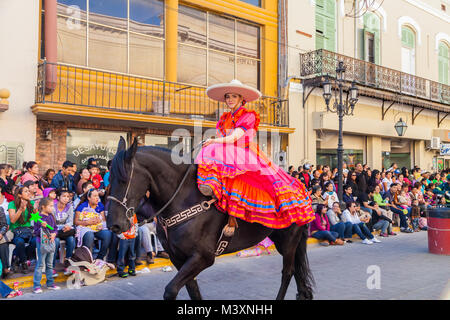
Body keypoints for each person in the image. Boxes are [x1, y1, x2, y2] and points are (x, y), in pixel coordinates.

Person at [195, 79, 315, 235]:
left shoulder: (248, 116)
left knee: (241, 180)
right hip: (226, 151)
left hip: (243, 151)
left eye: (234, 96)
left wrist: (213, 141)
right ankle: (211, 193)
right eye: (227, 96)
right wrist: (213, 142)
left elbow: (234, 137)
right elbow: (222, 137)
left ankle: (233, 218)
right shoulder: (224, 118)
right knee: (211, 157)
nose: (230, 99)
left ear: (241, 99)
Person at [32, 197, 60, 293]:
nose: (53, 208)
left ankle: (50, 283)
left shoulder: (51, 216)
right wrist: (41, 227)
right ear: (43, 207)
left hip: (51, 243)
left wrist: (54, 234)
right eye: (51, 206)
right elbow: (35, 232)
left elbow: (55, 228)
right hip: (42, 243)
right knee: (40, 264)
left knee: (49, 264)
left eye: (53, 206)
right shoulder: (38, 218)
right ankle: (36, 285)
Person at [74, 188, 111, 260]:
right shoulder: (82, 206)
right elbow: (76, 222)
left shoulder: (100, 206)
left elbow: (103, 221)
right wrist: (87, 222)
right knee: (89, 235)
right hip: (85, 228)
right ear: (89, 198)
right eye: (94, 196)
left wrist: (100, 224)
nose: (97, 198)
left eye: (98, 196)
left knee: (107, 234)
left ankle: (99, 258)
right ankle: (86, 259)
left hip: (97, 228)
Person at [8, 186, 37, 273]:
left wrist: (35, 210)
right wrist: (20, 209)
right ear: (20, 195)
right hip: (16, 231)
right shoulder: (12, 204)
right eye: (26, 191)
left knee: (36, 241)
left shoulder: (31, 203)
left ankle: (18, 259)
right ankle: (24, 262)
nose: (29, 193)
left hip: (28, 231)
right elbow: (12, 220)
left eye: (28, 191)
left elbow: (36, 219)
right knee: (19, 242)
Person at [53, 189, 75, 272]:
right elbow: (51, 222)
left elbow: (70, 220)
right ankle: (52, 265)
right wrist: (61, 227)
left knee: (71, 240)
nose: (66, 198)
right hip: (56, 231)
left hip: (65, 231)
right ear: (58, 197)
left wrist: (68, 226)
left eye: (68, 197)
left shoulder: (69, 207)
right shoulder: (53, 207)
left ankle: (68, 263)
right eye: (64, 196)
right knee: (56, 241)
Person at [115, 212, 139, 278]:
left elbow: (135, 224)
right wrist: (120, 235)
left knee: (132, 254)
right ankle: (120, 270)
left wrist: (135, 232)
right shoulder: (121, 213)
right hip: (124, 237)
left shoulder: (133, 213)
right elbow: (117, 225)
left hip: (132, 236)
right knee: (122, 254)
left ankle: (131, 269)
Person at [0, 205, 12, 279]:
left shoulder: (0, 209)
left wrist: (1, 233)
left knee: (3, 244)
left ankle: (5, 268)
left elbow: (4, 225)